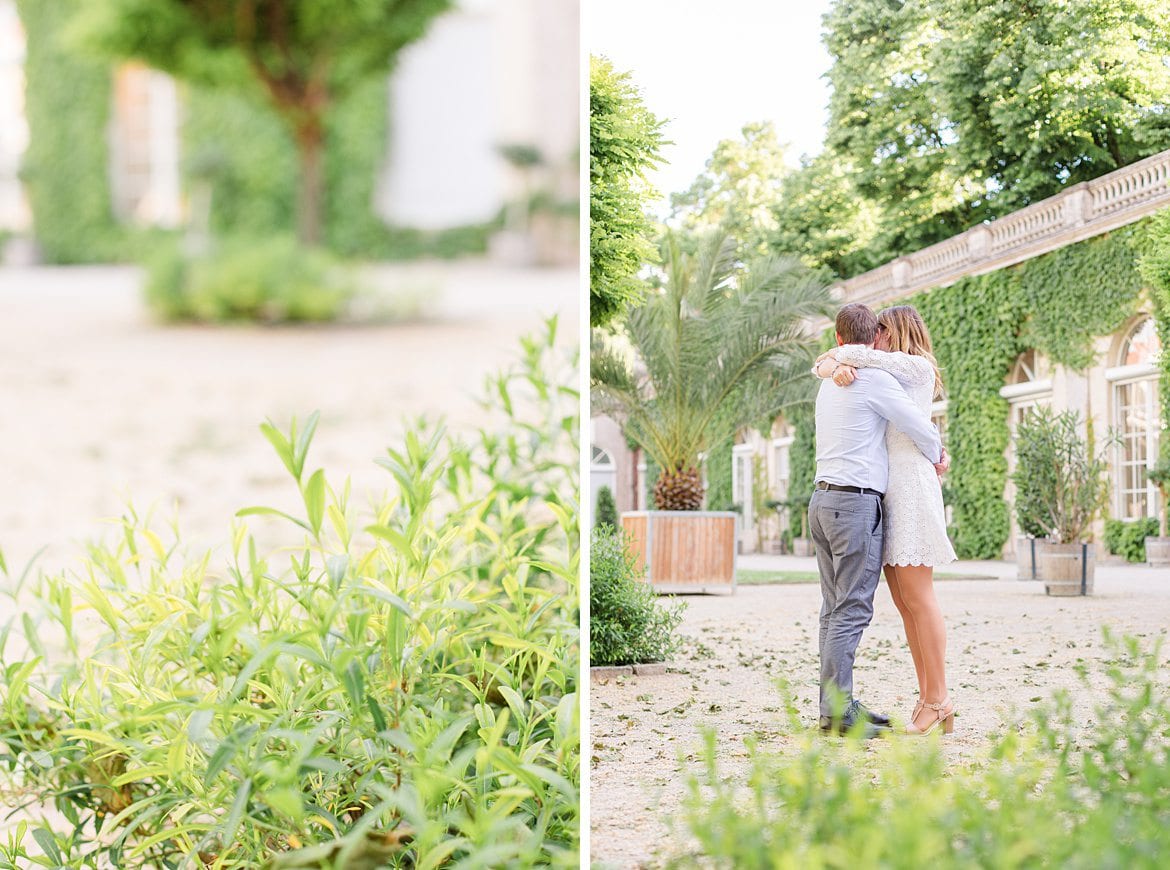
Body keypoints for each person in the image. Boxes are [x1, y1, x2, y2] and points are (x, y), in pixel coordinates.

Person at [814, 304, 957, 735]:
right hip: (884, 491)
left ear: (895, 333)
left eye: (881, 331)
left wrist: (836, 358)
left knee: (919, 597)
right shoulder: (879, 374)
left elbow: (859, 356)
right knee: (903, 603)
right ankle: (928, 697)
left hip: (910, 484)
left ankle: (939, 697)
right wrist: (831, 364)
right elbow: (845, 360)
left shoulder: (914, 367)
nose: (874, 339)